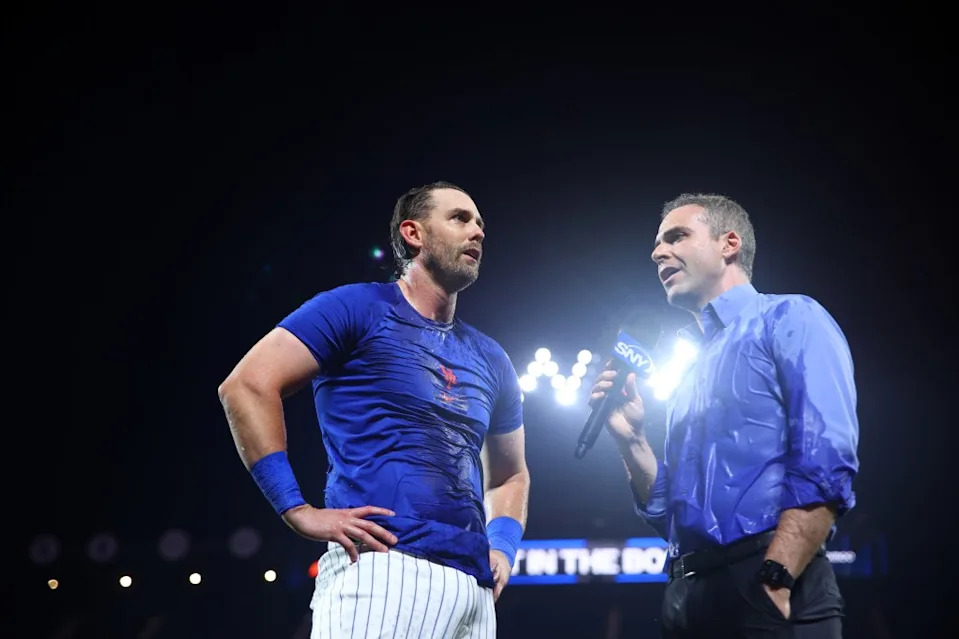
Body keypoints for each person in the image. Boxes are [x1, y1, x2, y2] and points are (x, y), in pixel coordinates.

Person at [217, 181, 530, 639]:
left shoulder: (492, 358)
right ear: (413, 233)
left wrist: (502, 547)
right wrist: (296, 509)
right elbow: (246, 385)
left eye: (481, 223)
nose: (478, 231)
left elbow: (510, 475)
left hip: (475, 589)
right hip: (383, 567)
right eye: (460, 218)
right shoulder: (357, 307)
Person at [590, 193, 859, 638]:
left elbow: (826, 458)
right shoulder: (691, 367)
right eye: (657, 245)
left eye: (677, 237)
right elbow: (668, 513)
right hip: (687, 593)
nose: (659, 252)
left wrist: (777, 576)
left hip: (769, 578)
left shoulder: (791, 317)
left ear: (728, 243)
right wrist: (632, 441)